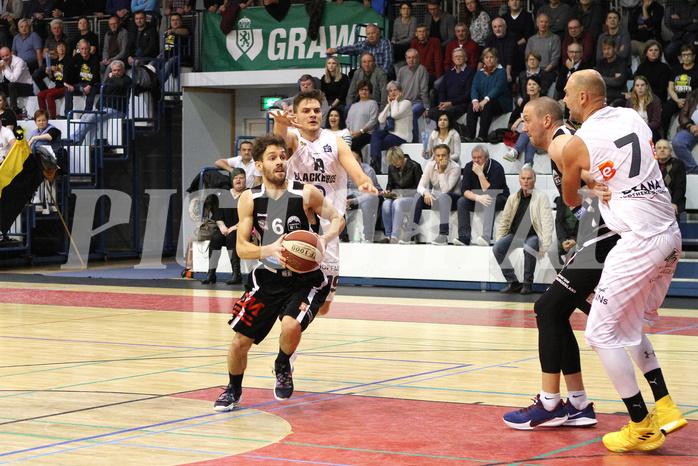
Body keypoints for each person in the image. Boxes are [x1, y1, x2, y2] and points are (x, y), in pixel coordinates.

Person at [560, 69, 686, 452]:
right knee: (628, 327)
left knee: (600, 333)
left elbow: (569, 200)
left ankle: (640, 424)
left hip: (639, 241)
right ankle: (665, 407)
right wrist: (605, 178)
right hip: (670, 234)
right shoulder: (633, 117)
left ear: (583, 97)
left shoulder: (576, 144)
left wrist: (585, 180)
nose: (564, 98)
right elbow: (634, 156)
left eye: (567, 93)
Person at [502, 96, 618, 431]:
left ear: (547, 120)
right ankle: (579, 403)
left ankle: (551, 403)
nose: (523, 128)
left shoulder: (560, 141)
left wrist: (592, 180)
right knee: (556, 311)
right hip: (597, 239)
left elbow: (584, 168)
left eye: (527, 119)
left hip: (606, 239)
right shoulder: (560, 143)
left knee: (547, 309)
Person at [211, 133, 344, 410]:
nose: (280, 162)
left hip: (305, 280)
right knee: (239, 343)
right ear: (259, 165)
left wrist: (323, 240)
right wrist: (269, 250)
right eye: (272, 158)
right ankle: (233, 390)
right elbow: (243, 248)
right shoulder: (249, 199)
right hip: (267, 279)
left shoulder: (305, 193)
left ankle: (282, 364)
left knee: (291, 324)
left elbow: (338, 219)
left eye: (283, 156)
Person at [272, 89, 378, 317]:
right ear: (296, 116)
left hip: (329, 228)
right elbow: (280, 142)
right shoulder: (293, 137)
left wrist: (363, 182)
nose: (312, 114)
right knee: (291, 296)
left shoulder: (335, 141)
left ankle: (294, 318)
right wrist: (280, 124)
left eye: (317, 110)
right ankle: (290, 326)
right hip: (296, 226)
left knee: (323, 307)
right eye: (306, 111)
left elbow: (354, 169)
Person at [492, 167, 553, 294]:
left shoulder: (541, 197)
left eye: (529, 178)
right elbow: (505, 221)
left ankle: (527, 283)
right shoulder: (513, 198)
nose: (526, 181)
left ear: (534, 180)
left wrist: (545, 244)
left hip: (532, 235)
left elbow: (547, 222)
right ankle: (512, 282)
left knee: (529, 248)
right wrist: (500, 239)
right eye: (523, 178)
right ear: (519, 180)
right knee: (497, 248)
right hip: (515, 235)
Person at [405, 144, 461, 245]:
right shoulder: (430, 165)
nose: (440, 158)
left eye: (443, 155)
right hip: (436, 198)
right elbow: (420, 186)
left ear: (449, 157)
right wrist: (426, 193)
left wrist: (441, 171)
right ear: (434, 157)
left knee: (443, 196)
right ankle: (411, 233)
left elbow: (446, 190)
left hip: (452, 200)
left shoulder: (455, 167)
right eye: (438, 155)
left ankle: (443, 234)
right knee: (418, 196)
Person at [455, 145, 509, 246]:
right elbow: (464, 190)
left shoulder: (497, 168)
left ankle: (486, 237)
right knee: (462, 201)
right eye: (474, 158)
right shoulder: (468, 166)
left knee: (489, 199)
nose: (476, 161)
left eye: (479, 157)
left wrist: (480, 174)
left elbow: (490, 192)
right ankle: (464, 237)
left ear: (487, 158)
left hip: (499, 198)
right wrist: (477, 198)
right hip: (479, 198)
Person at [201, 167, 247, 286]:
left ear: (245, 180)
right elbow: (218, 214)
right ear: (232, 180)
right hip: (225, 228)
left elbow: (249, 216)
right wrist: (222, 226)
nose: (238, 180)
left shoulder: (249, 194)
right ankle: (211, 274)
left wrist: (234, 227)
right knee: (216, 237)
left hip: (243, 229)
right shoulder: (224, 194)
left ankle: (236, 274)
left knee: (232, 237)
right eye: (236, 178)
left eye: (241, 178)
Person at [69, 59, 131, 145]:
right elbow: (103, 93)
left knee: (91, 118)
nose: (116, 72)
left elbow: (121, 84)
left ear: (123, 70)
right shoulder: (110, 79)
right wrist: (97, 107)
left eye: (118, 70)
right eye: (114, 70)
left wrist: (112, 77)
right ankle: (78, 143)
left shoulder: (127, 79)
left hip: (117, 109)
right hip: (105, 108)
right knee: (85, 116)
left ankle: (73, 139)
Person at [464, 47, 512, 142]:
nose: (489, 60)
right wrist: (475, 101)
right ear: (483, 59)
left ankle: (482, 136)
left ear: (496, 59)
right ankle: (469, 136)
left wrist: (485, 100)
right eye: (486, 57)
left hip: (500, 102)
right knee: (471, 107)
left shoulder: (501, 71)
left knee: (488, 106)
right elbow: (474, 87)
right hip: (483, 101)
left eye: (491, 57)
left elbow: (498, 88)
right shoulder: (480, 73)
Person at [380, 146, 422, 243]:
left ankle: (395, 235)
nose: (395, 164)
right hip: (396, 196)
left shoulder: (415, 166)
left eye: (396, 161)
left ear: (402, 157)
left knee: (397, 203)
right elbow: (390, 185)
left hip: (411, 197)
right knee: (386, 204)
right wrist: (387, 192)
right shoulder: (392, 167)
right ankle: (388, 235)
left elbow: (419, 188)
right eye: (392, 162)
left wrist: (402, 194)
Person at [369, 81, 412, 174]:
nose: (393, 93)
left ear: (400, 92)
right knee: (375, 134)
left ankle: (378, 166)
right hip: (390, 132)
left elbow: (395, 114)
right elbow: (381, 120)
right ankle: (374, 163)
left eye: (395, 90)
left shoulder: (406, 103)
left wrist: (395, 101)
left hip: (402, 135)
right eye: (390, 91)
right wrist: (388, 105)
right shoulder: (392, 104)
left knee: (382, 142)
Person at [428, 48, 475, 125]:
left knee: (445, 114)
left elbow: (468, 95)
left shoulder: (470, 72)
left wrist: (451, 103)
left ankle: (452, 130)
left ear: (465, 58)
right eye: (456, 56)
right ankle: (457, 127)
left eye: (460, 56)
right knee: (431, 113)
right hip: (447, 104)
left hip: (461, 104)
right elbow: (442, 90)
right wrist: (441, 103)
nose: (458, 58)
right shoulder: (449, 72)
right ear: (452, 59)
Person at [326, 23, 393, 76]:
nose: (370, 36)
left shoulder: (385, 43)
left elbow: (388, 63)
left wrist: (379, 75)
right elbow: (351, 48)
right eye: (368, 34)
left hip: (382, 75)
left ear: (378, 34)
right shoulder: (364, 44)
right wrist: (335, 50)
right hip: (366, 74)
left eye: (373, 33)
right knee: (353, 74)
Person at [344, 150, 381, 243]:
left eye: (355, 160)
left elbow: (370, 193)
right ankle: (343, 237)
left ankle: (368, 237)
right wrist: (344, 201)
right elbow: (344, 188)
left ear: (360, 160)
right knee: (338, 204)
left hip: (373, 196)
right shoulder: (346, 170)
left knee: (365, 205)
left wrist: (352, 201)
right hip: (355, 196)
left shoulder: (368, 171)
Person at [505, 74, 543, 167]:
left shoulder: (544, 101)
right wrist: (521, 120)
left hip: (542, 131)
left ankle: (516, 150)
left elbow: (540, 119)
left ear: (539, 88)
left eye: (534, 84)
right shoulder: (525, 102)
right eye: (529, 85)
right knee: (529, 132)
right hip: (529, 132)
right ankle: (528, 163)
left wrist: (519, 119)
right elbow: (526, 121)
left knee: (530, 128)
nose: (531, 87)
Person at [662, 45, 698, 140]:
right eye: (684, 55)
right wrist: (677, 100)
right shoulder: (676, 69)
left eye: (689, 55)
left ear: (694, 56)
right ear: (681, 56)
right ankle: (664, 137)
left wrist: (687, 101)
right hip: (677, 98)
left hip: (692, 100)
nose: (686, 57)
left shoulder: (696, 69)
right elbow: (670, 88)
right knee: (665, 110)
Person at [397, 48, 429, 143]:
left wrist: (427, 107)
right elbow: (398, 88)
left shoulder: (422, 69)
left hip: (418, 102)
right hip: (404, 102)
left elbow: (424, 90)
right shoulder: (401, 70)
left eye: (414, 58)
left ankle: (414, 141)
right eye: (409, 58)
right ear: (406, 59)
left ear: (418, 59)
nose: (411, 60)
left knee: (412, 113)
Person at [64, 39, 100, 116]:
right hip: (81, 85)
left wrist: (89, 86)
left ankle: (86, 114)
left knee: (92, 90)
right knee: (68, 90)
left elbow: (96, 76)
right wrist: (66, 83)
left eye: (86, 48)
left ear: (90, 49)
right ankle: (67, 116)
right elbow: (67, 68)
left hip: (93, 84)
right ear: (79, 50)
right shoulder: (77, 57)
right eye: (82, 49)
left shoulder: (95, 59)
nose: (84, 51)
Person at [524, 13, 561, 87]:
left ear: (549, 24)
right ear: (537, 23)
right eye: (541, 22)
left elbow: (555, 59)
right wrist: (532, 72)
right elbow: (527, 58)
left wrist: (543, 73)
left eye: (546, 22)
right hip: (533, 72)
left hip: (549, 72)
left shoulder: (555, 39)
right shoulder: (531, 40)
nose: (543, 24)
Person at [32, 19, 69, 93]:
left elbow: (64, 53)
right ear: (52, 29)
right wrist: (55, 53)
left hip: (62, 63)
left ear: (62, 29)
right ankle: (45, 91)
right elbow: (44, 55)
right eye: (54, 28)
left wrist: (51, 52)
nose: (57, 30)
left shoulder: (66, 39)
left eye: (58, 28)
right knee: (35, 75)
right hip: (49, 63)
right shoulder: (49, 39)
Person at [36, 39, 68, 119]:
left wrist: (59, 70)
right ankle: (42, 115)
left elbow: (70, 74)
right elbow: (53, 79)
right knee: (40, 95)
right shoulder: (55, 61)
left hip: (66, 86)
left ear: (66, 48)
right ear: (56, 49)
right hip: (57, 86)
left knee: (50, 96)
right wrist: (49, 72)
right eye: (59, 47)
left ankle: (52, 116)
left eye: (63, 46)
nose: (61, 48)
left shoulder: (69, 59)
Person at [656, 139, 687, 219]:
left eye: (665, 148)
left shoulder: (678, 164)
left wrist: (674, 203)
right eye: (659, 148)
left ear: (671, 151)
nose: (662, 150)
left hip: (673, 202)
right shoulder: (652, 165)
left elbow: (680, 187)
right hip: (655, 203)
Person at [346, 79, 379, 155]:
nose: (364, 92)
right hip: (353, 134)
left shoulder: (373, 103)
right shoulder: (353, 106)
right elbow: (348, 121)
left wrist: (360, 131)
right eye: (361, 89)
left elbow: (373, 121)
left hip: (366, 134)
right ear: (358, 91)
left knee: (354, 144)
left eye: (366, 90)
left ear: (370, 91)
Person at [594, 37, 628, 109]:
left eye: (609, 48)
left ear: (615, 48)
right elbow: (597, 81)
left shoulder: (622, 63)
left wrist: (602, 79)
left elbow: (619, 82)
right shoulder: (600, 63)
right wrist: (612, 79)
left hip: (618, 97)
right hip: (604, 97)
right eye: (604, 49)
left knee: (611, 108)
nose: (606, 51)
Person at [484, 18, 520, 84]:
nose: (497, 29)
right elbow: (484, 56)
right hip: (493, 70)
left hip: (510, 69)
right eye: (495, 27)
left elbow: (510, 57)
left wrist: (507, 73)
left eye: (500, 26)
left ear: (505, 27)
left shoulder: (511, 38)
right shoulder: (489, 39)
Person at [625, 75, 661, 142]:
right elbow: (626, 118)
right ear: (634, 88)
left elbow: (656, 122)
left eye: (642, 85)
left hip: (649, 130)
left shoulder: (655, 100)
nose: (640, 88)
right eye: (637, 85)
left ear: (647, 87)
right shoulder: (630, 101)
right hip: (633, 130)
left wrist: (643, 128)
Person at [672, 86, 698, 174]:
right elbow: (683, 115)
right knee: (677, 141)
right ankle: (694, 171)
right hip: (692, 129)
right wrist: (690, 126)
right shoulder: (692, 95)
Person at [0, 47, 33, 117]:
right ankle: (3, 108)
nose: (5, 58)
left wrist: (4, 69)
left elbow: (14, 79)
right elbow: (1, 80)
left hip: (27, 87)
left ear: (11, 54)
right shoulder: (2, 63)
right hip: (14, 88)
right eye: (3, 56)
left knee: (12, 85)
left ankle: (13, 109)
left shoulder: (19, 62)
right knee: (2, 86)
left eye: (7, 55)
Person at [664, 0, 698, 67]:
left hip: (694, 35)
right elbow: (672, 23)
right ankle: (679, 69)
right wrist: (691, 20)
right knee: (668, 52)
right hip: (680, 35)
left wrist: (680, 22)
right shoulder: (680, 3)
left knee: (693, 50)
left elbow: (696, 26)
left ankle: (693, 71)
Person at [409, 24, 444, 88]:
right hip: (418, 74)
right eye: (419, 32)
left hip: (431, 74)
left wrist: (438, 77)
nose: (421, 34)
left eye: (423, 31)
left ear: (428, 33)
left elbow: (438, 60)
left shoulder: (435, 42)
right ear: (416, 34)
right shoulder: (414, 42)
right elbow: (412, 60)